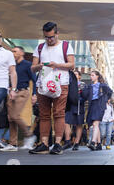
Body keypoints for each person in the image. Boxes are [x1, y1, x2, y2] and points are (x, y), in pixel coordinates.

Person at [29, 22, 75, 155]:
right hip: (43, 84)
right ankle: (44, 143)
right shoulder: (39, 47)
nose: (49, 40)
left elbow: (72, 65)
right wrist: (41, 66)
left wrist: (57, 64)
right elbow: (32, 68)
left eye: (51, 37)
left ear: (57, 33)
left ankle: (57, 143)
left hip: (61, 83)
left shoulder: (66, 46)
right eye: (46, 37)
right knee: (43, 114)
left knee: (59, 113)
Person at [0, 46, 37, 152]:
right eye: (12, 51)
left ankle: (29, 135)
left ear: (21, 53)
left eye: (15, 51)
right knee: (10, 118)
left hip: (22, 92)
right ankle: (13, 144)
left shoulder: (28, 65)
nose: (12, 53)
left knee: (15, 116)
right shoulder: (12, 65)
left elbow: (34, 80)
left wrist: (34, 94)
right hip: (11, 93)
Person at [83, 70, 113, 151]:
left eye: (93, 75)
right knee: (95, 124)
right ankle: (99, 144)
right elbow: (85, 96)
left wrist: (106, 99)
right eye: (90, 75)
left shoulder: (103, 85)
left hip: (99, 105)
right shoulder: (90, 86)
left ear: (97, 76)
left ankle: (93, 142)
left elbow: (110, 92)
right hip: (92, 105)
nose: (91, 77)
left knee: (96, 123)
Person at [63, 71, 86, 151]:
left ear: (79, 76)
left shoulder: (82, 85)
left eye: (76, 74)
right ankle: (68, 141)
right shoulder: (69, 84)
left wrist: (79, 99)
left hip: (79, 106)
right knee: (66, 121)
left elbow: (85, 95)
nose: (74, 75)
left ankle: (76, 143)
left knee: (79, 124)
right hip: (70, 106)